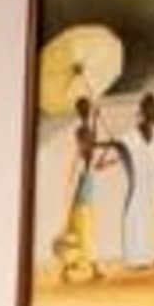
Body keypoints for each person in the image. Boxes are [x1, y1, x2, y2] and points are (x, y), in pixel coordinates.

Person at [52, 100, 108, 284]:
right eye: (87, 141)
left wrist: (95, 118)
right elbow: (71, 184)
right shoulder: (81, 160)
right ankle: (94, 269)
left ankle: (71, 271)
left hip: (84, 205)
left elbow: (93, 145)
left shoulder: (85, 158)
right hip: (81, 206)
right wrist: (94, 119)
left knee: (81, 239)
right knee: (84, 239)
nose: (90, 143)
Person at [129, 92, 154, 267]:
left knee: (139, 218)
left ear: (142, 109)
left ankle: (141, 257)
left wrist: (136, 123)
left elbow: (131, 152)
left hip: (142, 180)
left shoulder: (139, 131)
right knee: (152, 218)